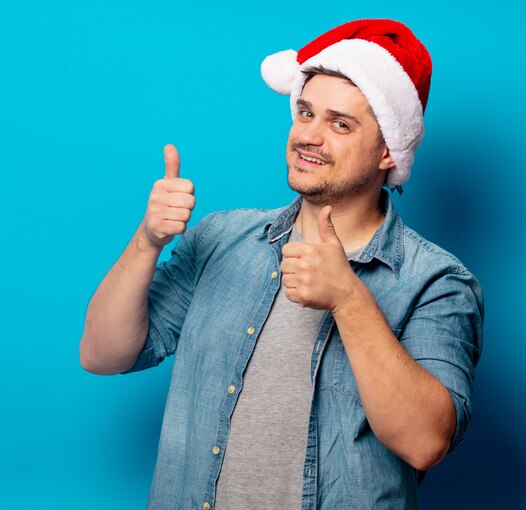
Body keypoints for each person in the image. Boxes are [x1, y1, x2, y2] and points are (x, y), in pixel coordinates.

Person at [80, 19, 483, 510]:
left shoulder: (436, 282)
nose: (308, 136)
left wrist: (348, 298)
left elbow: (426, 442)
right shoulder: (221, 238)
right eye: (305, 113)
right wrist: (147, 242)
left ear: (386, 151)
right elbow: (102, 354)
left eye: (340, 124)